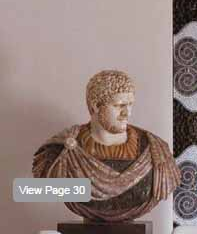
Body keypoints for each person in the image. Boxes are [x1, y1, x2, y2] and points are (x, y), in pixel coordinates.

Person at [33, 70, 180, 222]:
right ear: (96, 106)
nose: (127, 113)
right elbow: (39, 189)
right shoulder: (61, 150)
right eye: (119, 105)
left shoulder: (155, 150)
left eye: (130, 105)